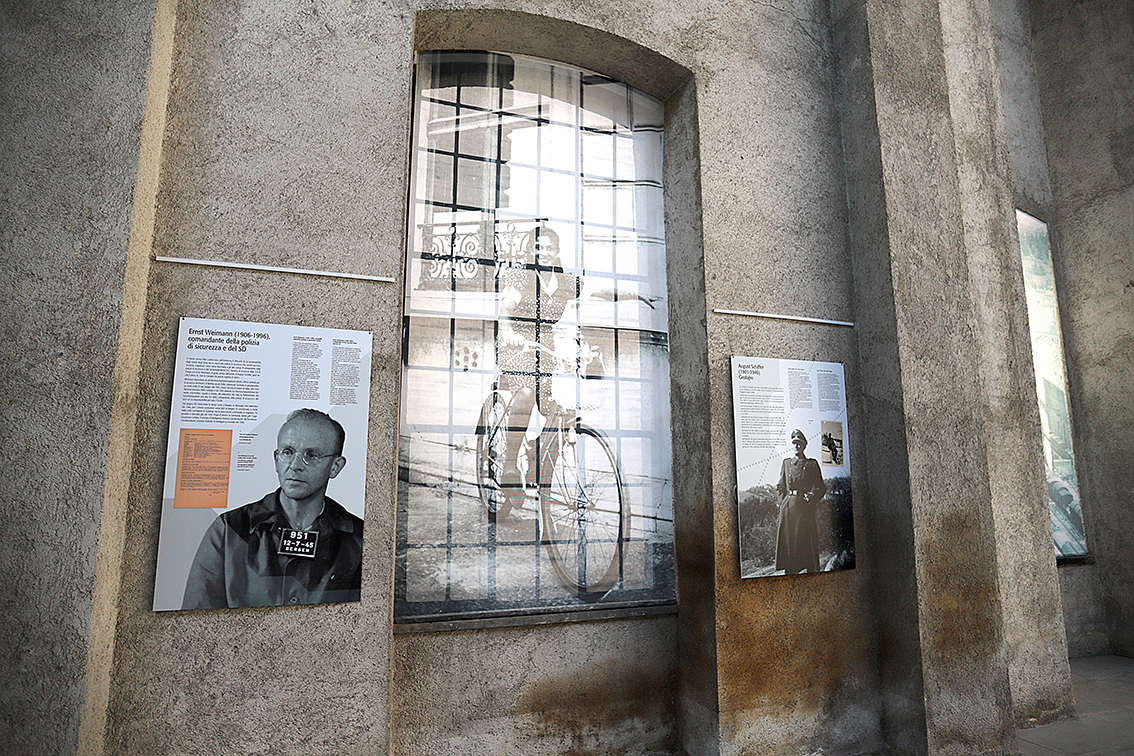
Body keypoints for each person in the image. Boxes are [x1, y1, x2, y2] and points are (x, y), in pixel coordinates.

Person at [492, 225, 655, 510]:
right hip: (517, 345)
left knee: (562, 408)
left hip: (545, 346)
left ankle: (537, 456)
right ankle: (509, 467)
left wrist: (635, 294)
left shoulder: (565, 282)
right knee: (527, 393)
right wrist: (508, 331)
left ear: (557, 251)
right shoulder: (520, 277)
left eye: (549, 247)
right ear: (530, 250)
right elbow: (505, 309)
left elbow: (601, 292)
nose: (543, 252)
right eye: (538, 247)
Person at [182, 409, 363, 609]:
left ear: (335, 466)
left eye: (311, 455)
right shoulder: (229, 530)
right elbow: (197, 617)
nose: (295, 465)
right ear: (276, 460)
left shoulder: (359, 538)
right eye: (287, 452)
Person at [775, 428, 827, 574]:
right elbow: (780, 486)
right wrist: (783, 502)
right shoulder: (786, 463)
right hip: (787, 511)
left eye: (799, 443)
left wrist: (810, 498)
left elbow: (820, 487)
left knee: (805, 546)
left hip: (804, 511)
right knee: (789, 546)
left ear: (804, 445)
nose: (796, 446)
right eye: (794, 443)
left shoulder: (811, 464)